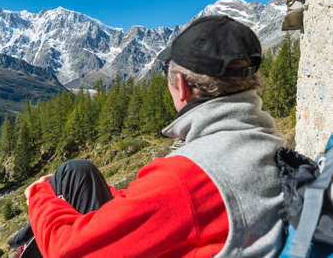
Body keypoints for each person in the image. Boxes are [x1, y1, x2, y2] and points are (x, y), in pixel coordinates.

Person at [23, 15, 286, 258]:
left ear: (181, 86)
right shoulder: (267, 145)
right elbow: (168, 209)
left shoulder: (186, 176)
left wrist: (39, 195)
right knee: (77, 173)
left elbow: (65, 251)